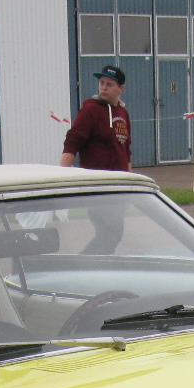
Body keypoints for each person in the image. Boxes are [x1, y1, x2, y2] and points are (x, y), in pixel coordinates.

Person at [59, 66, 132, 254]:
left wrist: (131, 182)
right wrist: (61, 176)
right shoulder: (91, 110)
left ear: (120, 88)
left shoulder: (123, 113)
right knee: (110, 232)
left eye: (109, 84)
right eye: (101, 83)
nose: (104, 88)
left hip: (119, 186)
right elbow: (72, 141)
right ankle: (84, 266)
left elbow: (126, 149)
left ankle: (100, 267)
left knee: (114, 233)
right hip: (99, 186)